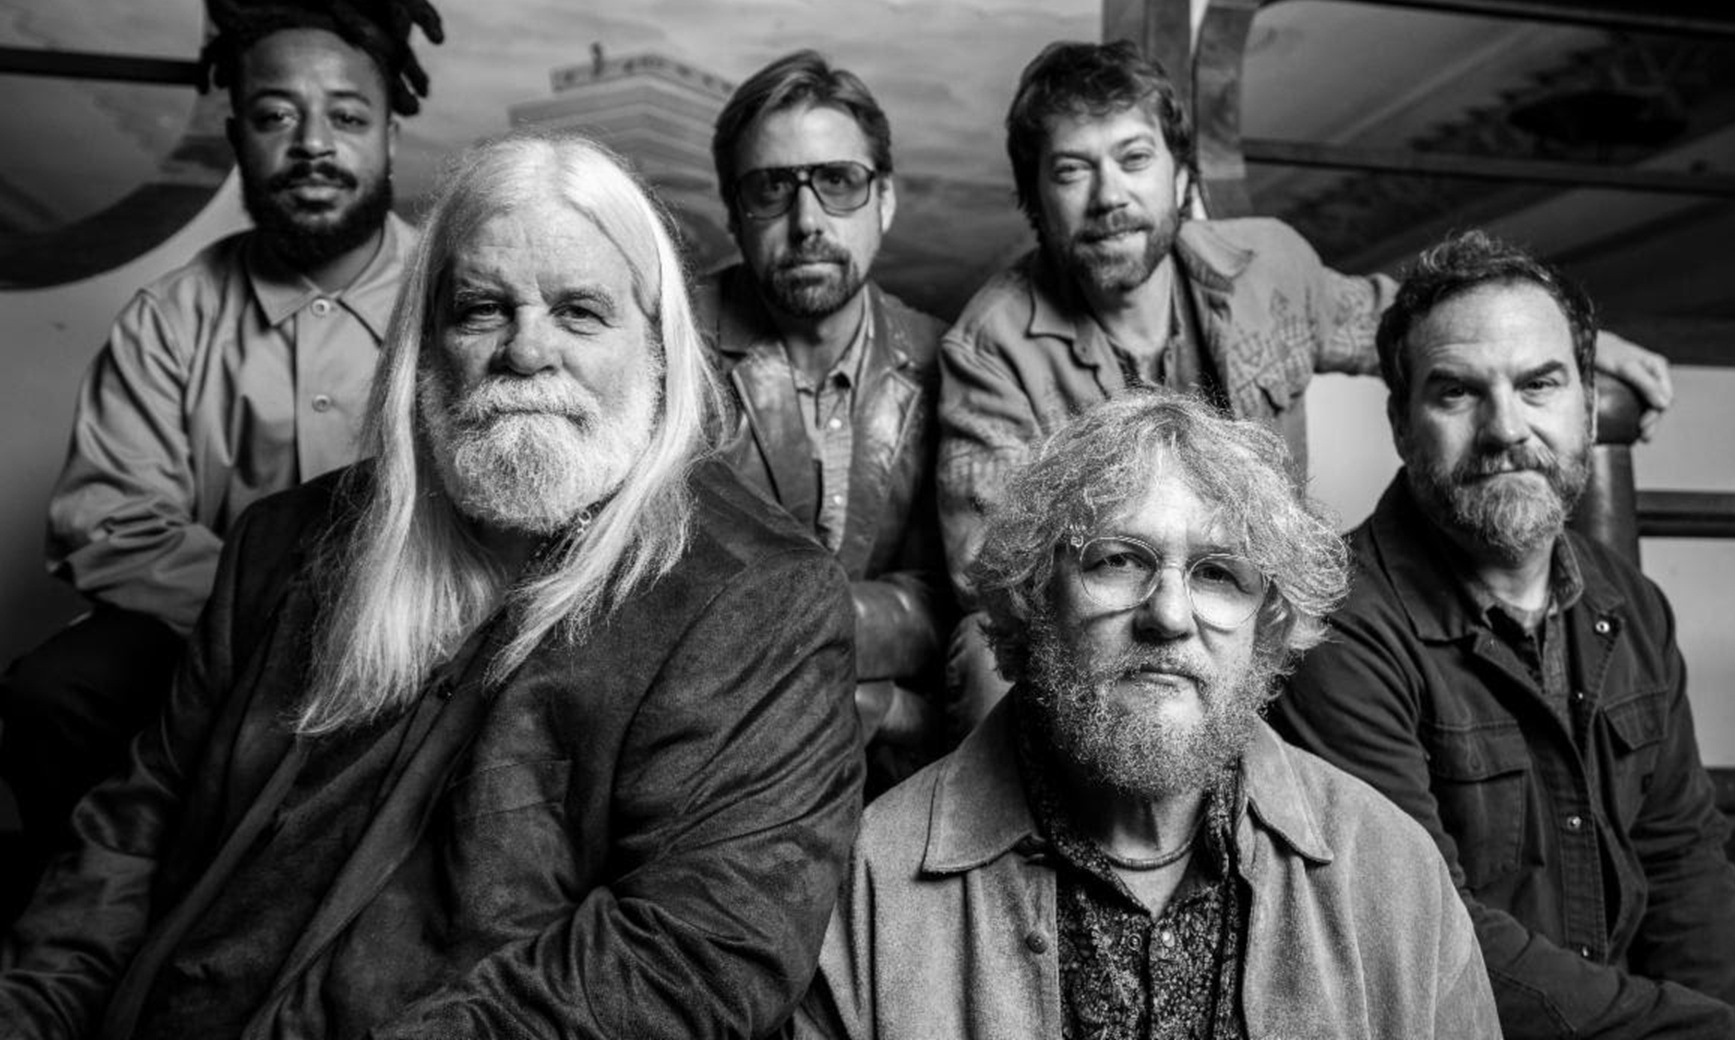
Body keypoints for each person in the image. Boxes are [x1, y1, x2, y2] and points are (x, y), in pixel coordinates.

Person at [0, 131, 864, 1039]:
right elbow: (132, 833)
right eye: (483, 309)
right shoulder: (282, 542)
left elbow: (694, 960)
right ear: (425, 342)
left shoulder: (759, 600)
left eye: (580, 312)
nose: (526, 352)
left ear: (657, 347)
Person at [936, 38, 1678, 736]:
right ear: (1036, 199)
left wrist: (1581, 346)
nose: (1109, 195)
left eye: (1135, 159)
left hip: (1265, 596)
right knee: (983, 650)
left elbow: (1412, 323)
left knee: (1354, 613)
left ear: (1181, 176)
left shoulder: (1271, 266)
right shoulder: (990, 345)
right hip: (1119, 611)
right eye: (1072, 171)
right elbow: (989, 569)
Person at [798, 390, 1501, 1039]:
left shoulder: (1393, 873)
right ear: (1033, 597)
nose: (1168, 615)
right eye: (1116, 561)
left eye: (1219, 573)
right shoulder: (869, 886)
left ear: (1268, 627)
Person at [1268, 231, 1735, 1038]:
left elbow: (1683, 864)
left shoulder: (1633, 605)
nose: (1506, 427)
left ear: (1585, 406)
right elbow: (1435, 942)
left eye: (1539, 384)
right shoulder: (1334, 630)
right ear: (1402, 424)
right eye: (1457, 393)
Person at [0, 0, 444, 877]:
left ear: (390, 135)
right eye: (277, 115)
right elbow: (110, 525)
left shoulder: (457, 305)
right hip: (209, 637)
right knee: (52, 690)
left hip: (415, 639)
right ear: (237, 132)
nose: (313, 144)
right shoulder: (173, 316)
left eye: (347, 117)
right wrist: (269, 614)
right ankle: (85, 921)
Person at [697, 50, 947, 792]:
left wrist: (874, 707)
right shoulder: (668, 353)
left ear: (885, 201)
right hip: (708, 768)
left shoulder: (951, 359)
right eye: (772, 188)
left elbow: (957, 596)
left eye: (838, 181)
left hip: (896, 779)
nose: (807, 222)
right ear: (734, 214)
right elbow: (669, 611)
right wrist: (866, 688)